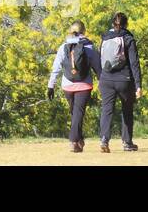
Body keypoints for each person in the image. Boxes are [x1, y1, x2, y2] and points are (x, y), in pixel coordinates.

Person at [46, 20, 100, 152]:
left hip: (67, 85)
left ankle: (78, 140)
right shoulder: (89, 47)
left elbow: (56, 68)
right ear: (84, 31)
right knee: (78, 113)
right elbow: (98, 68)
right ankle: (73, 140)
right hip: (84, 84)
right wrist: (103, 82)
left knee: (75, 113)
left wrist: (50, 86)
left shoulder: (63, 46)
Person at [98, 12, 143, 152]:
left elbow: (102, 59)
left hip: (106, 79)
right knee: (127, 110)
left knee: (107, 110)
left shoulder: (105, 37)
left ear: (113, 23)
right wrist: (138, 85)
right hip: (124, 80)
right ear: (126, 24)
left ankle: (104, 140)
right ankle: (127, 143)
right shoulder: (128, 38)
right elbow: (134, 63)